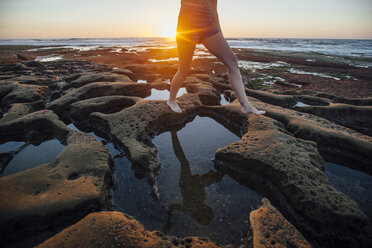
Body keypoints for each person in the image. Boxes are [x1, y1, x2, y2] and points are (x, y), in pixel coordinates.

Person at [167, 0, 266, 115]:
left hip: (208, 26)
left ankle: (246, 105)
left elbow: (214, 9)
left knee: (232, 61)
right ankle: (171, 100)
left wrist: (219, 33)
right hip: (186, 28)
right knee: (184, 69)